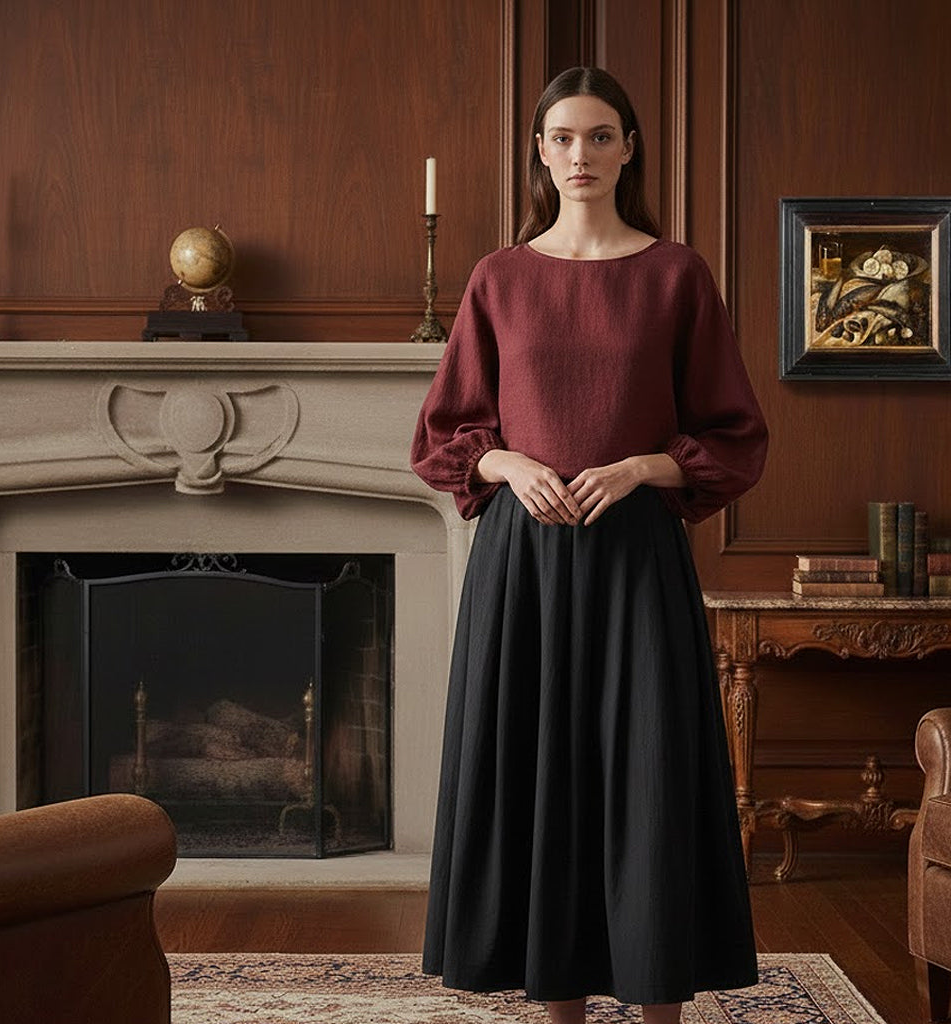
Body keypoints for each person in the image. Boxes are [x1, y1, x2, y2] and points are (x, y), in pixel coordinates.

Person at [410, 66, 768, 1024]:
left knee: (647, 774)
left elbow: (733, 435)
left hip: (636, 565)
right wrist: (508, 466)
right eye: (563, 138)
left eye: (600, 137)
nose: (581, 156)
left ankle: (660, 1007)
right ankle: (557, 1008)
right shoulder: (499, 277)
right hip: (523, 569)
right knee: (536, 777)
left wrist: (639, 468)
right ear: (539, 150)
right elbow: (444, 434)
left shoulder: (676, 275)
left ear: (629, 148)